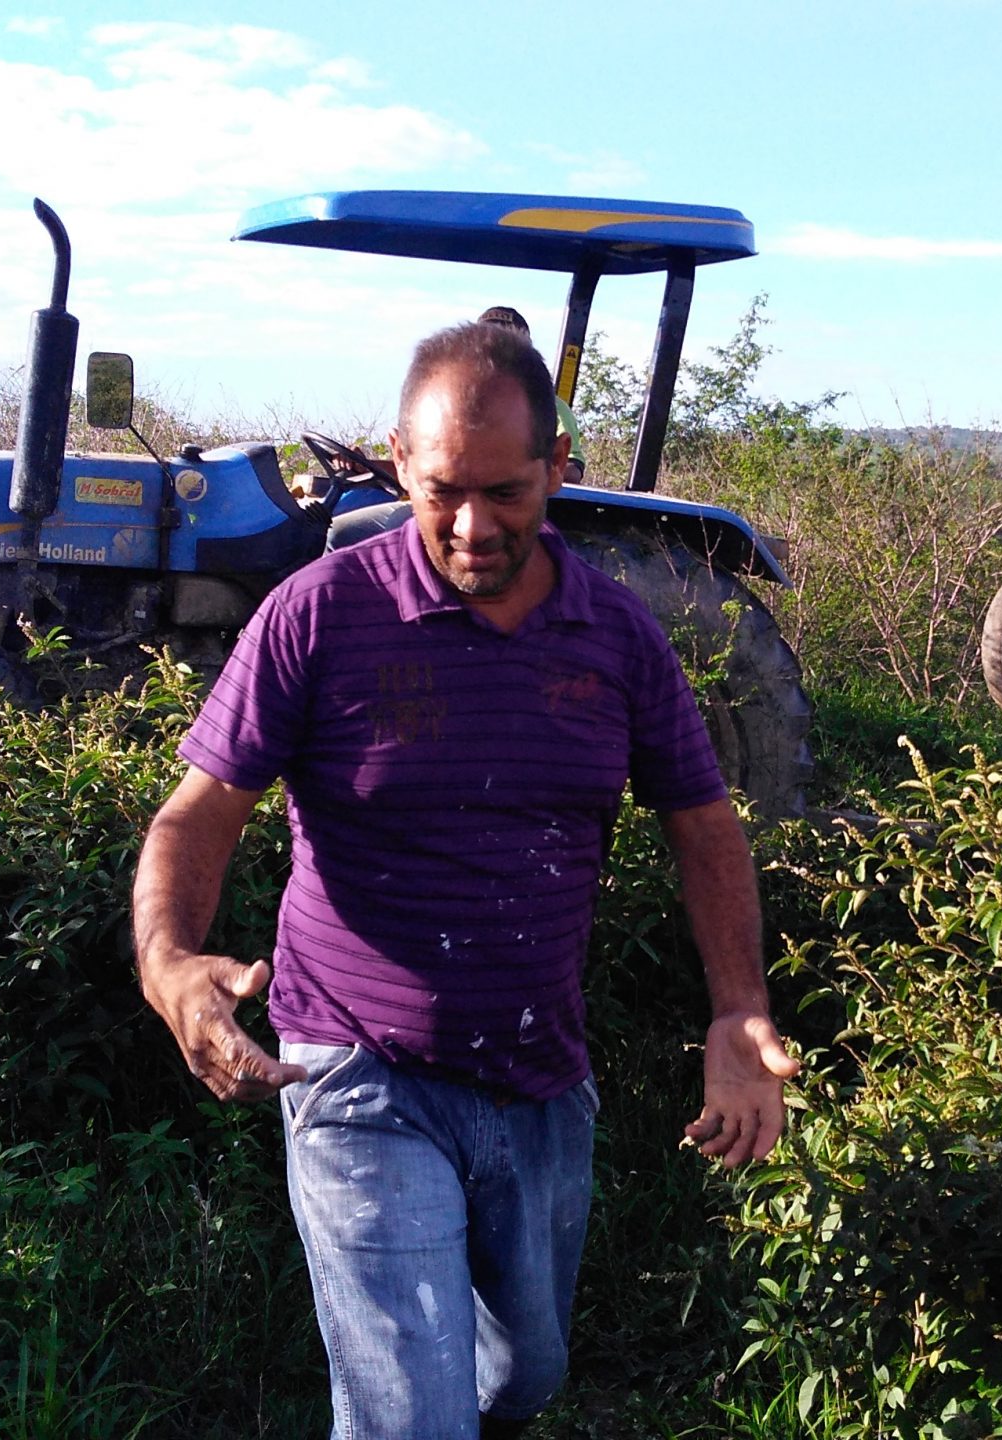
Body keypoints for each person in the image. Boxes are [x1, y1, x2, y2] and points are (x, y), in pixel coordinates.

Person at [132, 319, 798, 1439]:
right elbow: (196, 815)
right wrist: (167, 961)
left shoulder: (619, 638)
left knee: (523, 1375)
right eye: (443, 491)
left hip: (538, 1078)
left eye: (506, 492)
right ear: (398, 461)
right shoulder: (319, 614)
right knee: (410, 1421)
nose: (474, 527)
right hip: (357, 1072)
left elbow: (703, 824)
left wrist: (738, 1008)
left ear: (557, 469)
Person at [476, 305, 586, 484]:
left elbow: (572, 469)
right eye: (487, 346)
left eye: (507, 347)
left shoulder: (550, 407)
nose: (496, 357)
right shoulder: (454, 404)